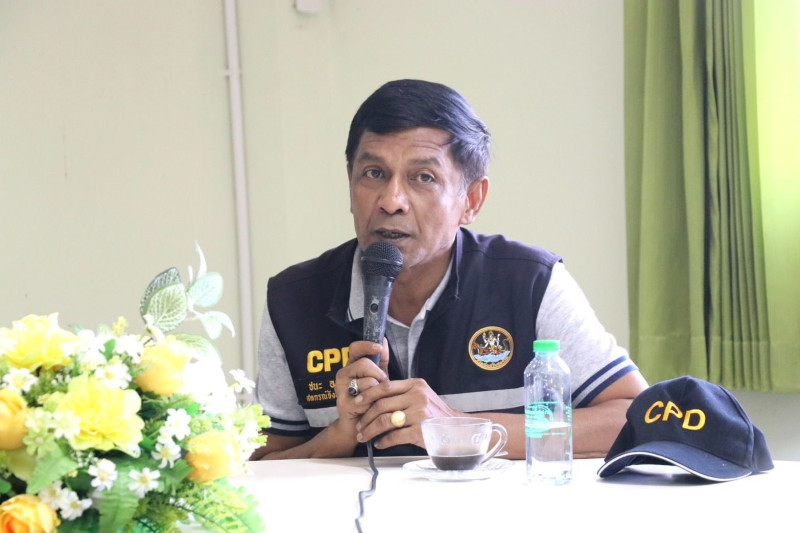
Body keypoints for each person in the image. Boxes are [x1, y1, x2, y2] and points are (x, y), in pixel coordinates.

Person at [250, 79, 648, 461]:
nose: (392, 200)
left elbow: (633, 417)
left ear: (471, 200)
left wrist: (459, 429)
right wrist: (341, 434)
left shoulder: (530, 283)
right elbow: (262, 463)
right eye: (374, 174)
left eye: (423, 177)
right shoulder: (294, 301)